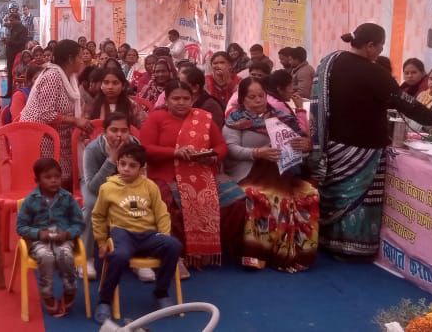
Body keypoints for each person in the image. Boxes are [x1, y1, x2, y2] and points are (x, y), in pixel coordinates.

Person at [312, 23, 432, 259]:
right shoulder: (375, 73)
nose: (380, 52)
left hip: (333, 145)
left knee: (335, 195)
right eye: (380, 47)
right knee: (360, 199)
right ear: (370, 46)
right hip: (363, 148)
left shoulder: (329, 62)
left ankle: (328, 240)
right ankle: (352, 248)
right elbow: (407, 104)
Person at [139, 80, 244, 274]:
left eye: (186, 98)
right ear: (166, 100)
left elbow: (221, 146)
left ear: (193, 99)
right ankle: (177, 254)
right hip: (167, 173)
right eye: (176, 98)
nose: (181, 102)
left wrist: (212, 156)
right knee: (168, 201)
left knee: (236, 198)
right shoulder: (156, 118)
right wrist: (175, 153)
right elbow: (145, 149)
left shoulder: (203, 118)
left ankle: (211, 248)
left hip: (202, 171)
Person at [222, 77, 318, 272]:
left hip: (280, 171)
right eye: (252, 97)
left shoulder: (281, 118)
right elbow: (230, 149)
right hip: (248, 172)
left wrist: (305, 145)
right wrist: (257, 153)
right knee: (260, 195)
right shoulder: (236, 121)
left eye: (261, 95)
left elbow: (299, 144)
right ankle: (257, 253)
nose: (258, 100)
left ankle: (297, 252)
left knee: (310, 194)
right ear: (242, 100)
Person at [91, 143, 183, 323]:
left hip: (148, 234)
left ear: (142, 169)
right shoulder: (107, 188)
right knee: (120, 255)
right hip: (122, 233)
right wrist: (101, 242)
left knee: (174, 245)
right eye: (122, 164)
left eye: (132, 165)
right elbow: (98, 216)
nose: (126, 169)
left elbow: (161, 213)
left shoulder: (150, 186)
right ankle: (104, 301)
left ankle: (161, 292)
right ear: (117, 164)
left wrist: (164, 234)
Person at [16, 157, 84, 317]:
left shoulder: (68, 198)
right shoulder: (30, 201)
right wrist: (38, 233)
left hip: (63, 238)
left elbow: (79, 223)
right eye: (48, 177)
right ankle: (46, 294)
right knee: (45, 257)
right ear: (37, 180)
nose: (53, 180)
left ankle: (70, 290)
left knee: (65, 255)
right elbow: (20, 227)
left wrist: (67, 233)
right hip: (39, 241)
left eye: (57, 177)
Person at [20, 40, 93, 185]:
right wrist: (75, 121)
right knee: (52, 180)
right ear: (70, 59)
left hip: (59, 135)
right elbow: (46, 114)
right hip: (42, 137)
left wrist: (81, 120)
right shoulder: (52, 76)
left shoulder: (70, 77)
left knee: (67, 177)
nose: (82, 61)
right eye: (79, 57)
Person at [80, 112, 139, 279]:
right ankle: (87, 258)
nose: (119, 135)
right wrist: (112, 159)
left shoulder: (135, 145)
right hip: (95, 186)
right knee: (92, 205)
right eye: (114, 130)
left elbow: (141, 175)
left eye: (124, 130)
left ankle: (138, 257)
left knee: (140, 203)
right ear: (104, 132)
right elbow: (93, 186)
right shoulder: (92, 149)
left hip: (126, 185)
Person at [3, 13, 31, 96]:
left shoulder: (23, 29)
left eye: (11, 20)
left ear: (17, 19)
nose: (10, 22)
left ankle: (18, 92)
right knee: (9, 73)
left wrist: (9, 42)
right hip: (10, 54)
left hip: (17, 55)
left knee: (17, 73)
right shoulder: (11, 28)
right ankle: (9, 92)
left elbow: (22, 42)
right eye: (9, 20)